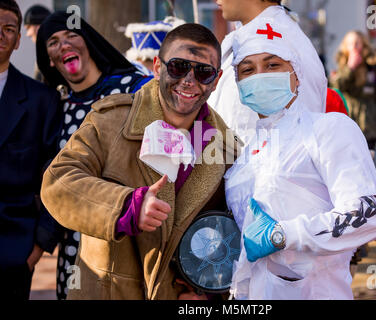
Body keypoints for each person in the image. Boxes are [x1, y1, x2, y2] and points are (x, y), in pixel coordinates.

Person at [41, 23, 241, 300]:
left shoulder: (228, 149)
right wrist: (126, 206)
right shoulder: (110, 121)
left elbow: (229, 238)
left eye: (203, 72)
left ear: (216, 80)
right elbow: (57, 182)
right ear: (158, 67)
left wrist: (204, 292)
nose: (189, 81)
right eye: (179, 67)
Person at [224, 14, 376, 300]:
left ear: (296, 74)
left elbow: (369, 213)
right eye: (248, 70)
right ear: (238, 84)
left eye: (273, 65)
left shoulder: (328, 130)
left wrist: (284, 234)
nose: (260, 76)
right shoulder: (245, 158)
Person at [36, 11, 152, 300]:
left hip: (135, 229)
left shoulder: (134, 88)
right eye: (53, 41)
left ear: (88, 42)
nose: (64, 44)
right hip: (78, 240)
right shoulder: (57, 109)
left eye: (71, 35)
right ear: (49, 60)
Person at [209, 0, 346, 145]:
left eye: (271, 65)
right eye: (248, 70)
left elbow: (299, 129)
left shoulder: (276, 40)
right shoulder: (256, 34)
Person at [0, 0, 62, 300]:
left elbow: (55, 174)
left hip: (14, 250)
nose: (0, 35)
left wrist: (39, 246)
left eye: (8, 29)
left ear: (17, 40)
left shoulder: (42, 100)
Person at [330, 30, 376, 157]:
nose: (354, 47)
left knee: (367, 161)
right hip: (349, 121)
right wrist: (350, 68)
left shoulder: (373, 65)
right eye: (351, 44)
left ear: (364, 45)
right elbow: (336, 87)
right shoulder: (342, 65)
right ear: (345, 46)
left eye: (357, 43)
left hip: (370, 123)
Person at [23, 4, 51, 82]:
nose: (28, 34)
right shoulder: (44, 52)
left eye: (28, 28)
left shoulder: (50, 54)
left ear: (39, 28)